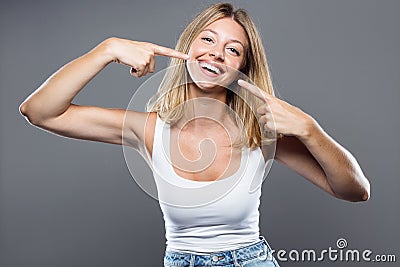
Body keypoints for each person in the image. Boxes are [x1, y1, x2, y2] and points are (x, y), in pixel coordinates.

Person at [19, 3, 370, 267]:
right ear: (188, 48)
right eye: (207, 39)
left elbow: (355, 191)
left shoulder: (260, 131)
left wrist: (310, 129)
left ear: (242, 68)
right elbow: (40, 111)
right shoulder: (149, 129)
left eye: (233, 49)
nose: (216, 53)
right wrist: (107, 49)